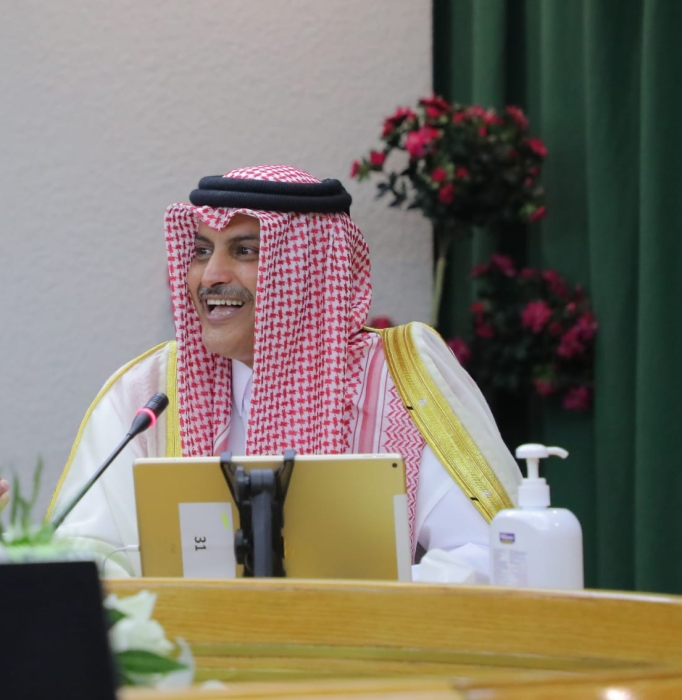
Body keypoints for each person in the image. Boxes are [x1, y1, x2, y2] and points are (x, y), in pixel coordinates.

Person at [38, 164, 522, 577]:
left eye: (244, 251)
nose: (210, 276)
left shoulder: (400, 378)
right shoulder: (147, 393)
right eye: (202, 250)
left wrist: (349, 605)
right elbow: (85, 553)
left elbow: (490, 554)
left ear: (307, 266)